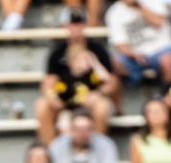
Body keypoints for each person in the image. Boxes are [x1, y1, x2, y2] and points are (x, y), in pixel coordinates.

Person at [37, 9, 116, 144]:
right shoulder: (57, 52)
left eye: (79, 24)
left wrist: (98, 93)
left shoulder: (97, 49)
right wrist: (53, 98)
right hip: (66, 101)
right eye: (72, 25)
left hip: (91, 100)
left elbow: (112, 81)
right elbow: (48, 82)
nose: (76, 29)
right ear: (65, 26)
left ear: (85, 25)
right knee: (42, 106)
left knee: (102, 107)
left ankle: (95, 151)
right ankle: (50, 153)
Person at [105, 0, 171, 88]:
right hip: (134, 55)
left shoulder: (153, 2)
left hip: (162, 49)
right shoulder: (113, 12)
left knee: (167, 61)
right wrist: (134, 55)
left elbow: (158, 22)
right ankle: (128, 94)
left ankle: (167, 95)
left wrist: (139, 6)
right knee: (114, 62)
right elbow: (120, 44)